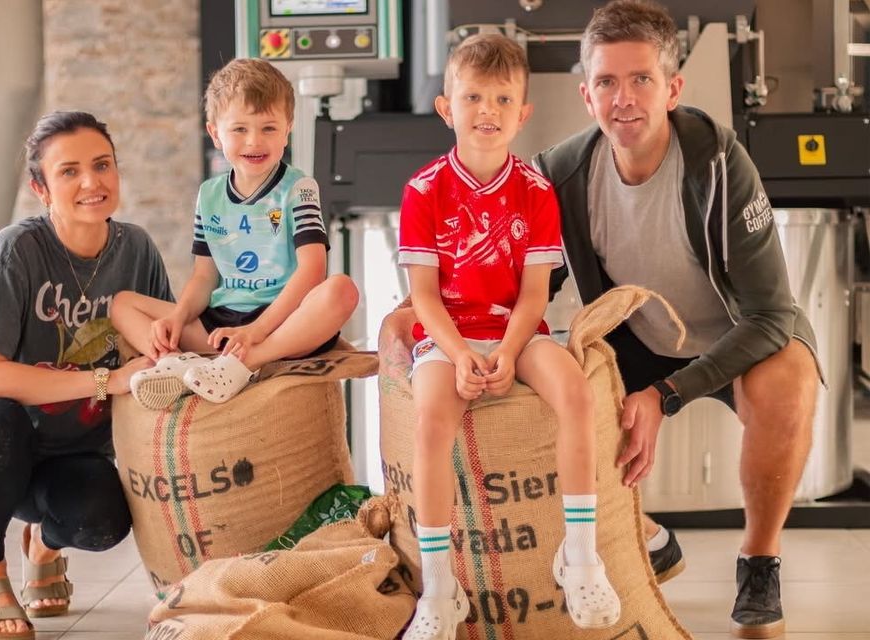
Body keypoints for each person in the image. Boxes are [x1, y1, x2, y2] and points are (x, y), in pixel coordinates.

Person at [533, 1, 822, 637]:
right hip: (637, 339)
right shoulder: (561, 173)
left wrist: (666, 396)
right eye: (607, 82)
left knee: (789, 383)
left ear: (672, 89)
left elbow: (771, 313)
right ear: (586, 94)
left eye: (642, 79)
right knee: (544, 381)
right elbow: (530, 286)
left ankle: (759, 562)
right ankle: (648, 538)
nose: (624, 99)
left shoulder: (718, 161)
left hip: (739, 335)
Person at [397, 34, 621, 639]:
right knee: (431, 420)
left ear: (523, 114)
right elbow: (423, 297)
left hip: (518, 332)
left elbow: (533, 294)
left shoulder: (536, 190)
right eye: (472, 97)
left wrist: (507, 350)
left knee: (576, 394)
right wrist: (459, 353)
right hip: (448, 335)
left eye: (501, 99)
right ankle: (440, 587)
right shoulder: (423, 190)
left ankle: (580, 556)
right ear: (446, 108)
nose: (487, 111)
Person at [0, 111, 173, 640]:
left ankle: (43, 545)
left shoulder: (136, 251)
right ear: (41, 188)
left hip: (68, 457)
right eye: (69, 171)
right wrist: (106, 381)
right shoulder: (19, 248)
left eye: (102, 165)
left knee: (104, 522)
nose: (91, 182)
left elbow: (162, 348)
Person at [112, 58, 358, 410]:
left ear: (287, 130)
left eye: (269, 128)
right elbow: (204, 276)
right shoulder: (209, 194)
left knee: (342, 290)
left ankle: (244, 363)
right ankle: (176, 363)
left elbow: (313, 271)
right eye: (240, 129)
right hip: (221, 325)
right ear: (215, 133)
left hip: (284, 323)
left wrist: (257, 331)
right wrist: (178, 318)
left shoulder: (299, 188)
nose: (254, 141)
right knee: (123, 304)